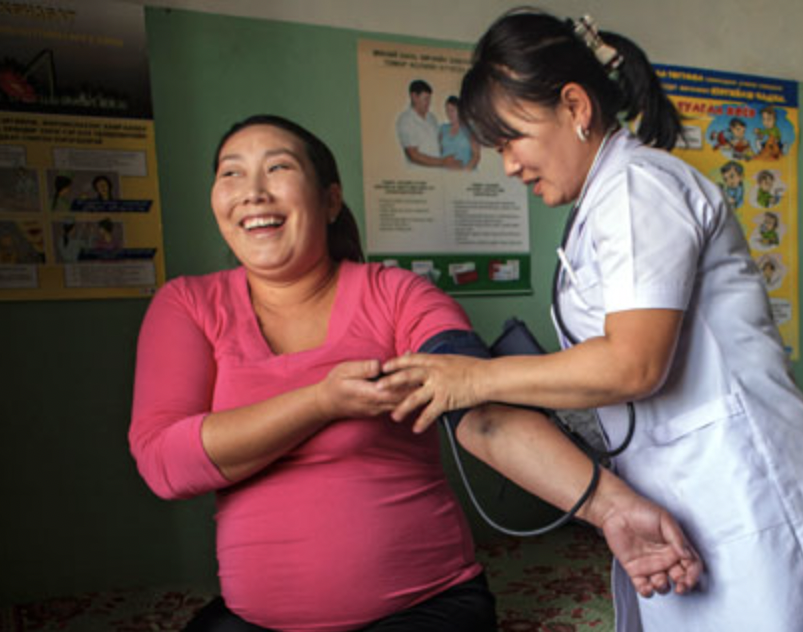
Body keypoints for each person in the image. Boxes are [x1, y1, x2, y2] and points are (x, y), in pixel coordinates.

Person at [379, 10, 803, 632]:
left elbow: (633, 363)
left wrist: (475, 379)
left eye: (511, 139)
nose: (508, 165)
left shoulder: (638, 188)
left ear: (574, 106)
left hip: (748, 486)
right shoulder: (604, 203)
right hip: (685, 491)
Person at [129, 114, 701, 632]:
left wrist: (612, 508)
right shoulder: (188, 306)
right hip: (256, 619)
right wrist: (321, 402)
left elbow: (484, 417)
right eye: (231, 173)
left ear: (330, 200)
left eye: (278, 168)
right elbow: (165, 463)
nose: (252, 191)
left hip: (424, 607)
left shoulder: (399, 295)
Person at [395, 79, 460, 168]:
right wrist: (443, 162)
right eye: (425, 99)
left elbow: (440, 144)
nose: (429, 103)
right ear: (414, 97)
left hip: (438, 173)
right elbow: (413, 155)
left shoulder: (432, 118)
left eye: (429, 99)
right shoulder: (406, 120)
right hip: (419, 175)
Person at [439, 95, 480, 169]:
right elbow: (439, 152)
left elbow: (476, 155)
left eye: (453, 110)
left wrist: (464, 173)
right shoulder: (443, 128)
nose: (449, 114)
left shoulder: (469, 129)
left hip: (466, 173)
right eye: (447, 110)